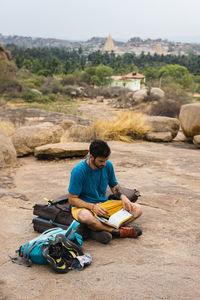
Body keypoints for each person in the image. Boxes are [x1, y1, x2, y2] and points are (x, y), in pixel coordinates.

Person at [68, 139, 142, 244]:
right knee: (86, 217)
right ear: (91, 157)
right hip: (85, 208)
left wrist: (123, 197)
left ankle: (97, 228)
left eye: (106, 160)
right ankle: (116, 231)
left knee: (137, 209)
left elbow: (114, 186)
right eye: (101, 161)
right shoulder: (78, 171)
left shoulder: (108, 165)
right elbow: (72, 199)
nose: (104, 163)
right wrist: (92, 207)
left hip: (104, 204)